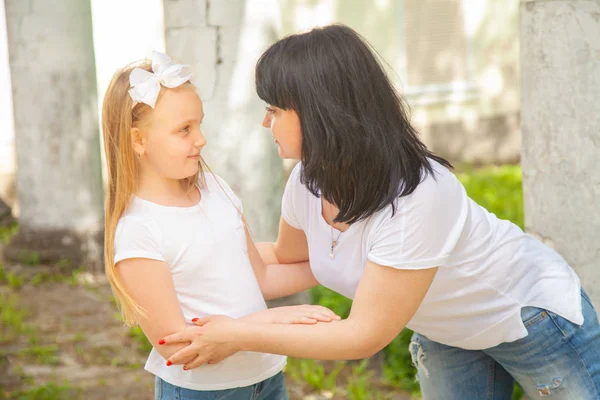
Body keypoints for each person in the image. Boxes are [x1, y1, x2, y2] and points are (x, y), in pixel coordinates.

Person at [158, 25, 600, 399]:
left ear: (319, 113)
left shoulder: (420, 196)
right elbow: (291, 259)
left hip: (527, 316)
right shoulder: (307, 181)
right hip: (446, 331)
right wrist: (184, 257)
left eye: (274, 109)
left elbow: (362, 337)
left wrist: (236, 334)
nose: (265, 122)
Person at [101, 51, 340, 400]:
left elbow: (260, 278)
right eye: (184, 129)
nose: (201, 139)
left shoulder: (215, 190)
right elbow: (178, 347)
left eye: (199, 124)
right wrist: (273, 321)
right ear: (138, 141)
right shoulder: (138, 230)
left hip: (267, 380)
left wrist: (345, 265)